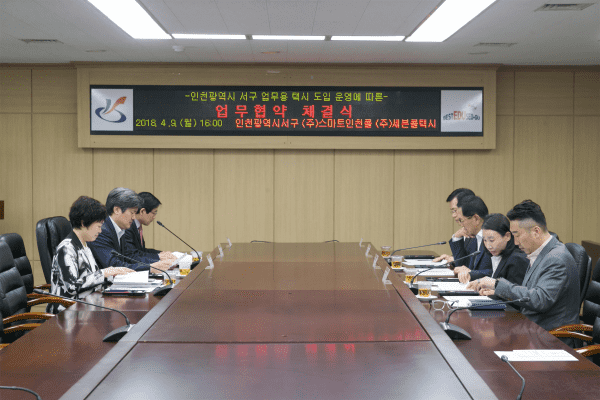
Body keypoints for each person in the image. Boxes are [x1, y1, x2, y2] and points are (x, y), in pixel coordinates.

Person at [473, 200, 579, 332]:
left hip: (550, 336)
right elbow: (529, 293)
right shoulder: (539, 253)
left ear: (536, 231)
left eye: (517, 235)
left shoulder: (556, 258)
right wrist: (498, 292)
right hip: (531, 328)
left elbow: (540, 300)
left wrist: (497, 284)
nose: (515, 242)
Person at [48, 196, 133, 313]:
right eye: (98, 226)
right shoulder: (67, 248)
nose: (100, 231)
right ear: (83, 223)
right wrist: (104, 273)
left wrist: (116, 276)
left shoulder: (85, 246)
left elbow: (92, 279)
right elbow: (72, 287)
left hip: (87, 306)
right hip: (68, 312)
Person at [88, 187, 172, 272]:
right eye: (132, 213)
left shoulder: (120, 230)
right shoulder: (102, 231)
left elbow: (127, 259)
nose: (134, 217)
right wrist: (150, 268)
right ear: (117, 210)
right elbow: (114, 265)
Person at [463, 213, 527, 286]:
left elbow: (514, 291)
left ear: (507, 236)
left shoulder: (517, 259)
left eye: (491, 240)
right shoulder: (498, 254)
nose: (488, 246)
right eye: (485, 240)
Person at [445, 195, 493, 281]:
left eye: (461, 220)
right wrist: (457, 238)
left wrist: (471, 273)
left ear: (476, 219)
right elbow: (461, 266)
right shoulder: (472, 238)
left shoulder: (493, 238)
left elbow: (498, 272)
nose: (461, 224)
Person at [122, 192, 176, 264]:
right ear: (142, 211)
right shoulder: (128, 227)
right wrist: (158, 257)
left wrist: (161, 253)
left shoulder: (137, 226)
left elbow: (142, 251)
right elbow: (132, 255)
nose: (154, 217)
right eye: (154, 213)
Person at [434, 188, 475, 264]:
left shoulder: (483, 233)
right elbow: (463, 262)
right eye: (452, 211)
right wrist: (453, 259)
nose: (453, 215)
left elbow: (474, 266)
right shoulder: (465, 231)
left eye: (455, 210)